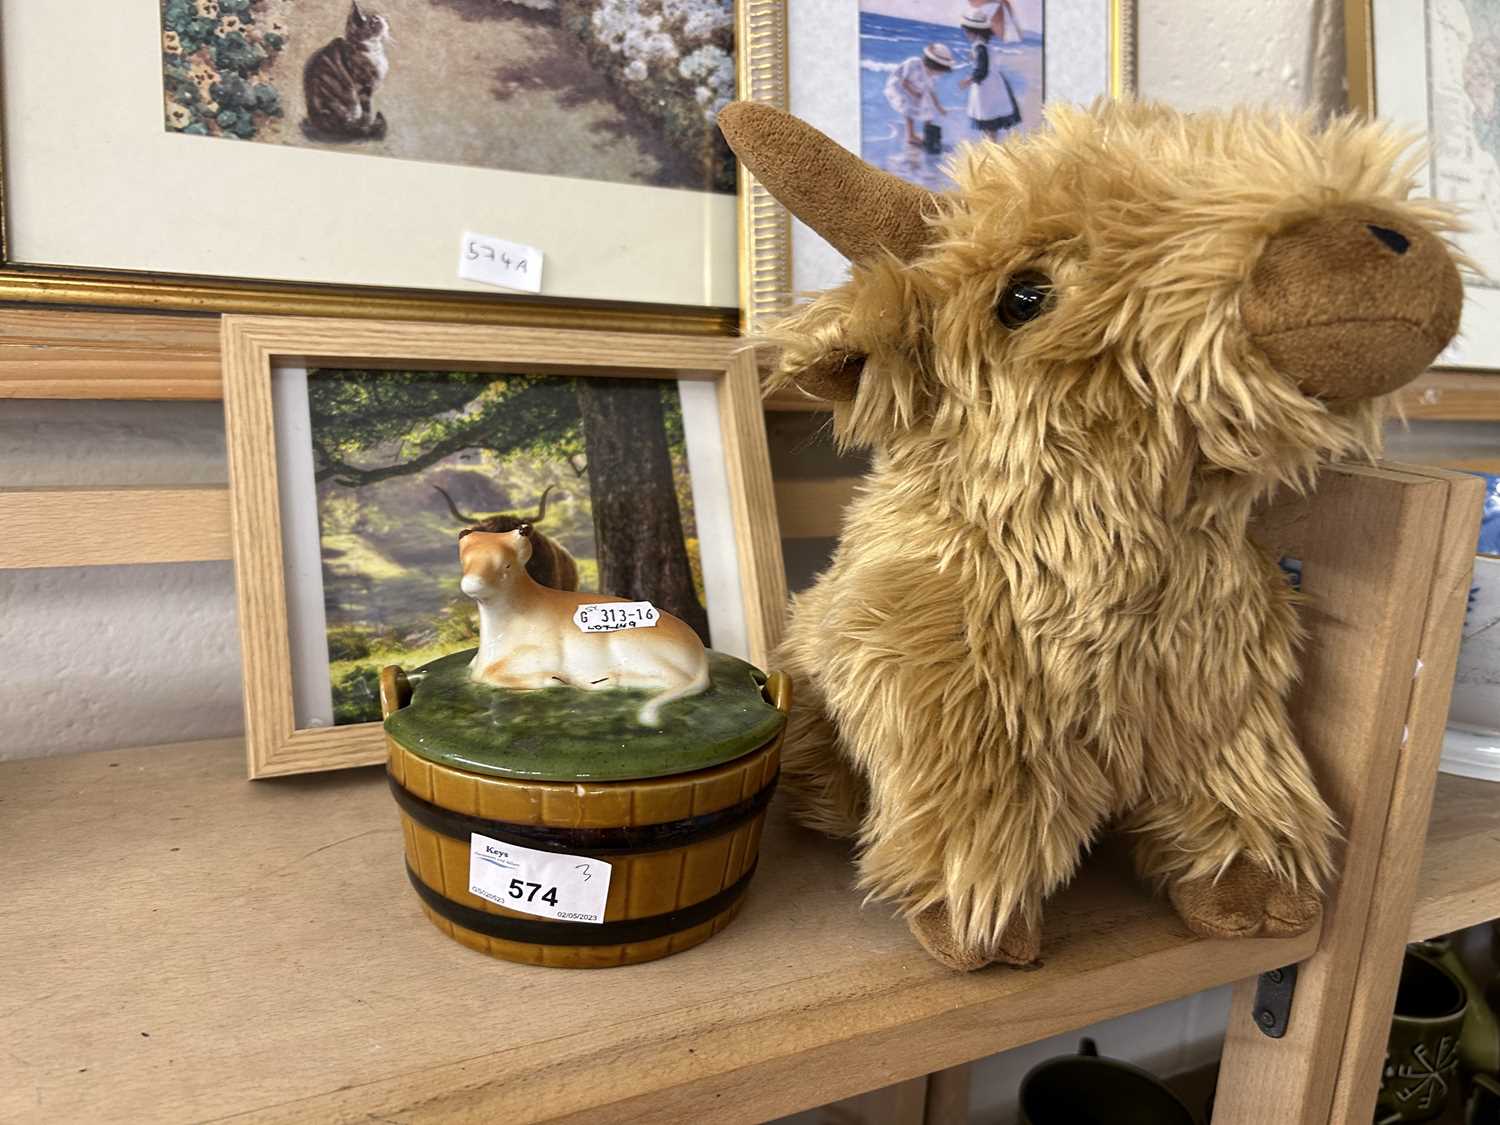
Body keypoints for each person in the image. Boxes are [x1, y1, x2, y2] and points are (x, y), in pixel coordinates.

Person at [959, 9, 1021, 140]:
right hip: (994, 85)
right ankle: (991, 144)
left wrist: (968, 80)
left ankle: (991, 146)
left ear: (974, 31)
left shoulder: (979, 47)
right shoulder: (983, 46)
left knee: (988, 119)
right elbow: (985, 62)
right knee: (991, 120)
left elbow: (982, 70)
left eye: (967, 31)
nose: (966, 34)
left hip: (987, 88)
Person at [884, 42, 954, 146]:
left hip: (917, 89)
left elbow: (931, 91)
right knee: (909, 107)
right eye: (939, 71)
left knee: (928, 109)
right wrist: (914, 93)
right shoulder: (913, 63)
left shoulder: (931, 75)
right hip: (900, 87)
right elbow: (904, 81)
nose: (939, 74)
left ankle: (928, 133)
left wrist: (939, 107)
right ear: (933, 65)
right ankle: (910, 136)